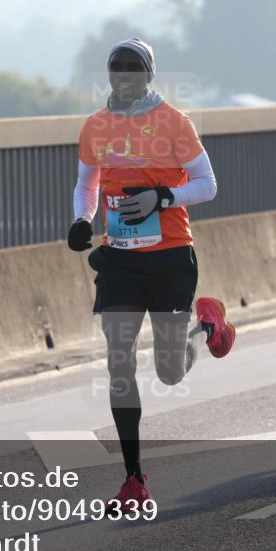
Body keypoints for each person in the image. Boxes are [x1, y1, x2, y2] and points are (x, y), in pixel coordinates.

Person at [66, 37, 236, 509]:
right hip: (119, 260)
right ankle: (134, 480)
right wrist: (82, 219)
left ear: (148, 74)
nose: (123, 74)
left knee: (169, 371)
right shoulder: (95, 126)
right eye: (116, 66)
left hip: (169, 258)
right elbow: (87, 184)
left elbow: (208, 184)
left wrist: (162, 198)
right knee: (119, 361)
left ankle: (207, 327)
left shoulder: (174, 123)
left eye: (132, 67)